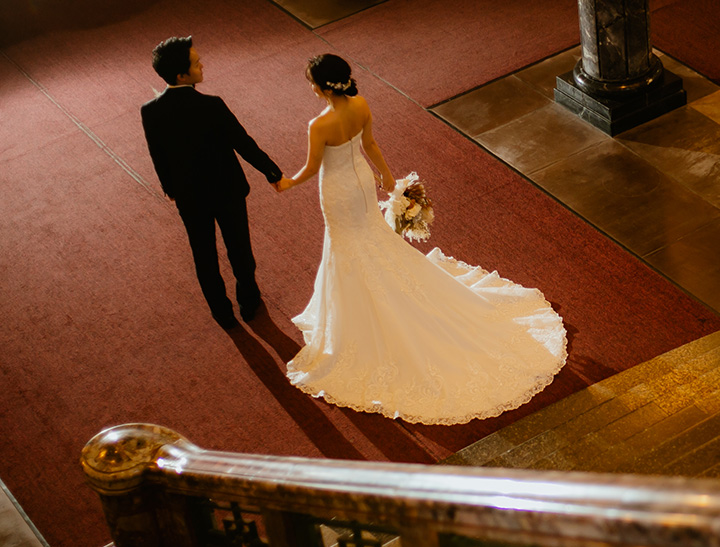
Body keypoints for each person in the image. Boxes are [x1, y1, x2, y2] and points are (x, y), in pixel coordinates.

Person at [276, 54, 567, 425]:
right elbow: (371, 145)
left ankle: (352, 319)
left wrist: (287, 182)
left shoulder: (319, 125)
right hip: (362, 183)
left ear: (320, 86)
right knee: (371, 238)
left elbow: (313, 168)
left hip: (336, 191)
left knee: (347, 244)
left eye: (311, 82)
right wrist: (387, 178)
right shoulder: (361, 104)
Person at [141, 36, 283, 328]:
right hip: (227, 191)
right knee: (240, 252)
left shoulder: (151, 111)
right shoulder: (212, 105)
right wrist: (271, 171)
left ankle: (222, 312)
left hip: (189, 197)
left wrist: (169, 187)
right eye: (196, 63)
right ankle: (249, 302)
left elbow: (157, 154)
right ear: (182, 74)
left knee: (203, 256)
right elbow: (242, 143)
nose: (202, 65)